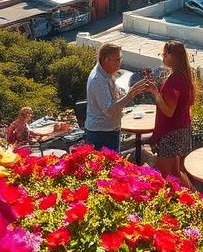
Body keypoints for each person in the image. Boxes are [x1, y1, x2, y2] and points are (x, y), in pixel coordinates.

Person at [84, 43, 152, 152]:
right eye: (117, 59)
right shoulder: (98, 79)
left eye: (120, 58)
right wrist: (129, 95)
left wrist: (133, 91)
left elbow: (117, 94)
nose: (120, 62)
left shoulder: (107, 74)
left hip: (109, 130)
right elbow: (109, 111)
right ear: (106, 60)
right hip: (101, 133)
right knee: (107, 167)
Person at [147, 41, 196, 188]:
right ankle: (198, 201)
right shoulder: (184, 76)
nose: (162, 57)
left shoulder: (175, 80)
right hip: (181, 129)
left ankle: (194, 202)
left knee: (167, 175)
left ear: (172, 56)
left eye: (164, 54)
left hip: (171, 133)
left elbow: (169, 111)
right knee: (176, 172)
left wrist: (156, 93)